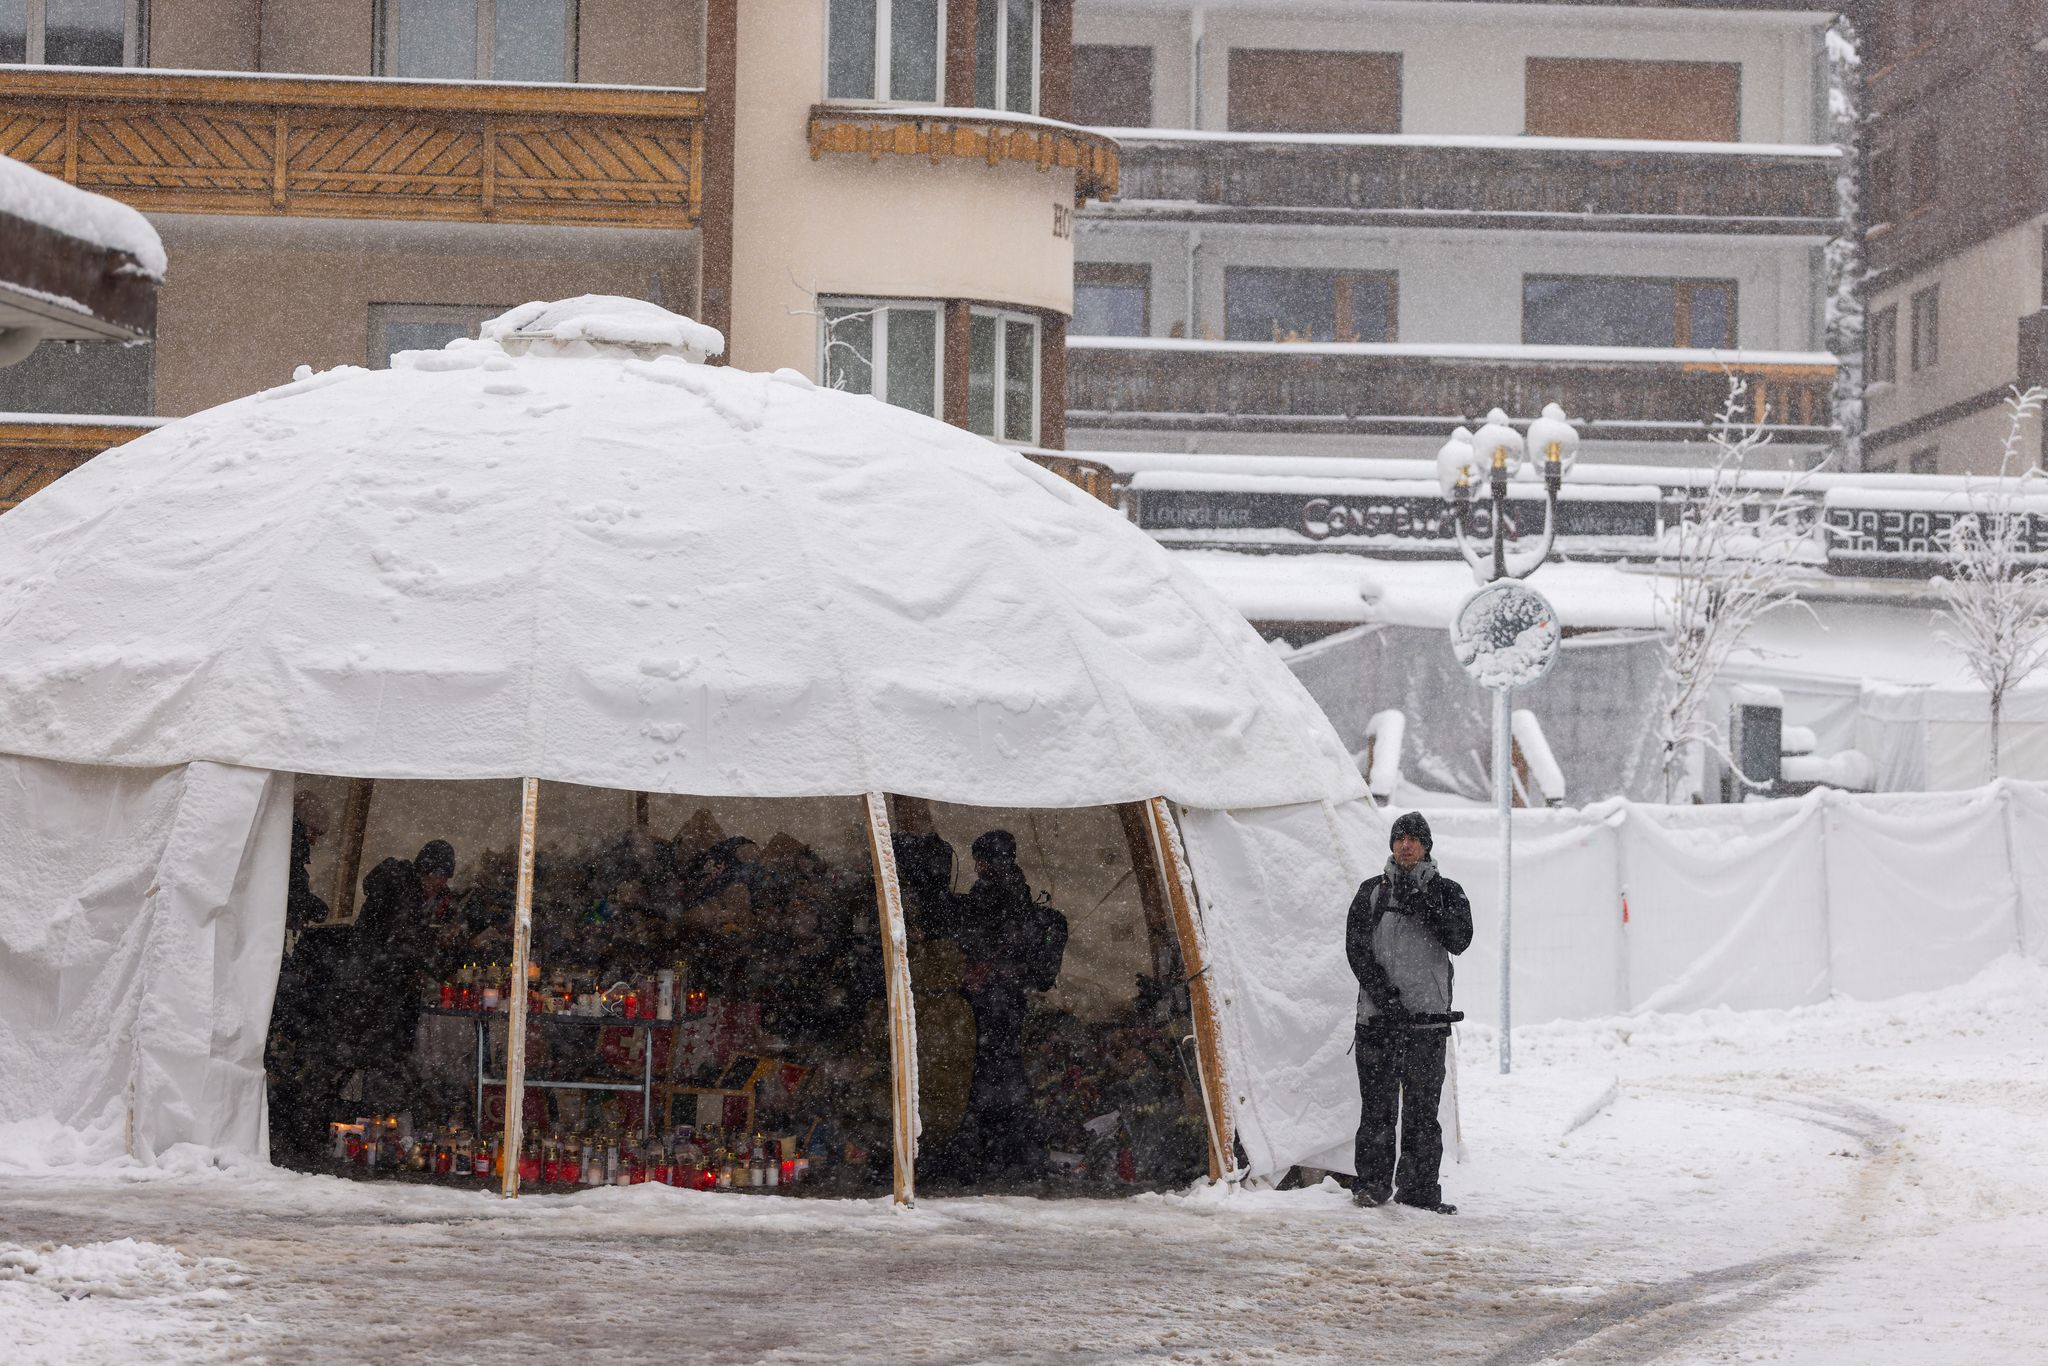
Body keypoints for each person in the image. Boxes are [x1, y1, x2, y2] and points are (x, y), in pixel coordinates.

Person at [1346, 811, 1472, 1214]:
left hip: (1427, 1024)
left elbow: (1460, 939)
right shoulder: (1371, 892)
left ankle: (1419, 1190)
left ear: (1426, 845)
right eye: (1399, 838)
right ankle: (1372, 1187)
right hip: (1379, 1022)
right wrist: (1385, 998)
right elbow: (1357, 951)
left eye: (1414, 839)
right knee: (1377, 1110)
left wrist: (1424, 903)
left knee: (1422, 1112)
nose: (1405, 845)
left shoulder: (1448, 892)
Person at [949, 830, 1049, 1184]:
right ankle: (1016, 1150)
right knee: (1005, 1067)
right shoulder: (1016, 886)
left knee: (990, 1070)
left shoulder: (993, 888)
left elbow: (986, 937)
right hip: (1009, 993)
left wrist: (979, 967)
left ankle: (994, 1152)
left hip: (995, 994)